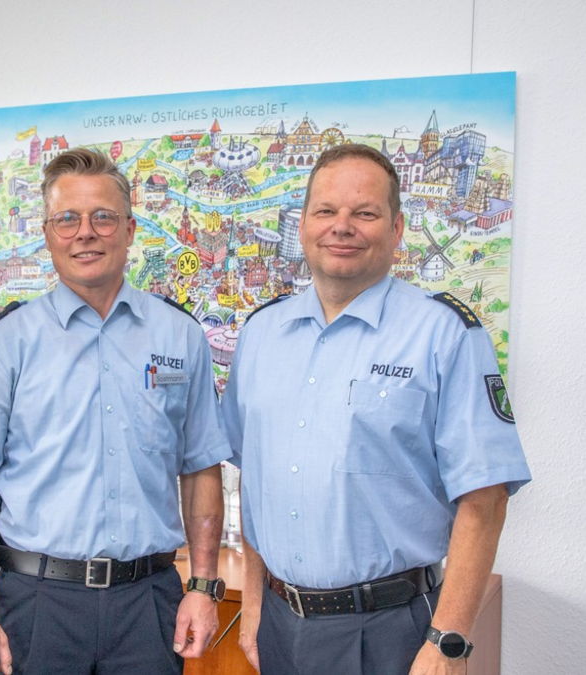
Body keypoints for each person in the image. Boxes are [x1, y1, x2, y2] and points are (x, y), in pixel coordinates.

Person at [221, 143, 531, 674]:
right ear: (302, 225)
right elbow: (255, 481)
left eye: (364, 213)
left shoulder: (445, 335)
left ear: (397, 228)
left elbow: (486, 499)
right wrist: (252, 601)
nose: (342, 226)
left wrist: (449, 638)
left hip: (391, 631)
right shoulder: (258, 335)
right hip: (278, 620)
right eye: (326, 211)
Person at [0, 148, 230, 675]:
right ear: (48, 232)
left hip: (148, 604)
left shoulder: (180, 337)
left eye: (103, 217)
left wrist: (205, 586)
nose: (85, 233)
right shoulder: (6, 344)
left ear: (131, 229)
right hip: (35, 605)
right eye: (67, 219)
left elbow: (202, 468)